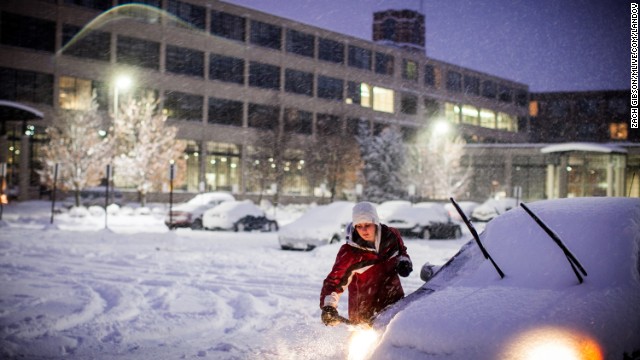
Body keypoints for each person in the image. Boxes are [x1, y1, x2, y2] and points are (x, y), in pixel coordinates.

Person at [319, 201, 413, 326]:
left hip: (394, 307)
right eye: (359, 226)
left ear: (376, 223)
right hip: (364, 316)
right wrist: (329, 306)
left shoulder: (392, 237)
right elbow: (334, 281)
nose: (363, 230)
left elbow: (402, 252)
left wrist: (404, 262)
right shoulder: (350, 253)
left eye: (367, 225)